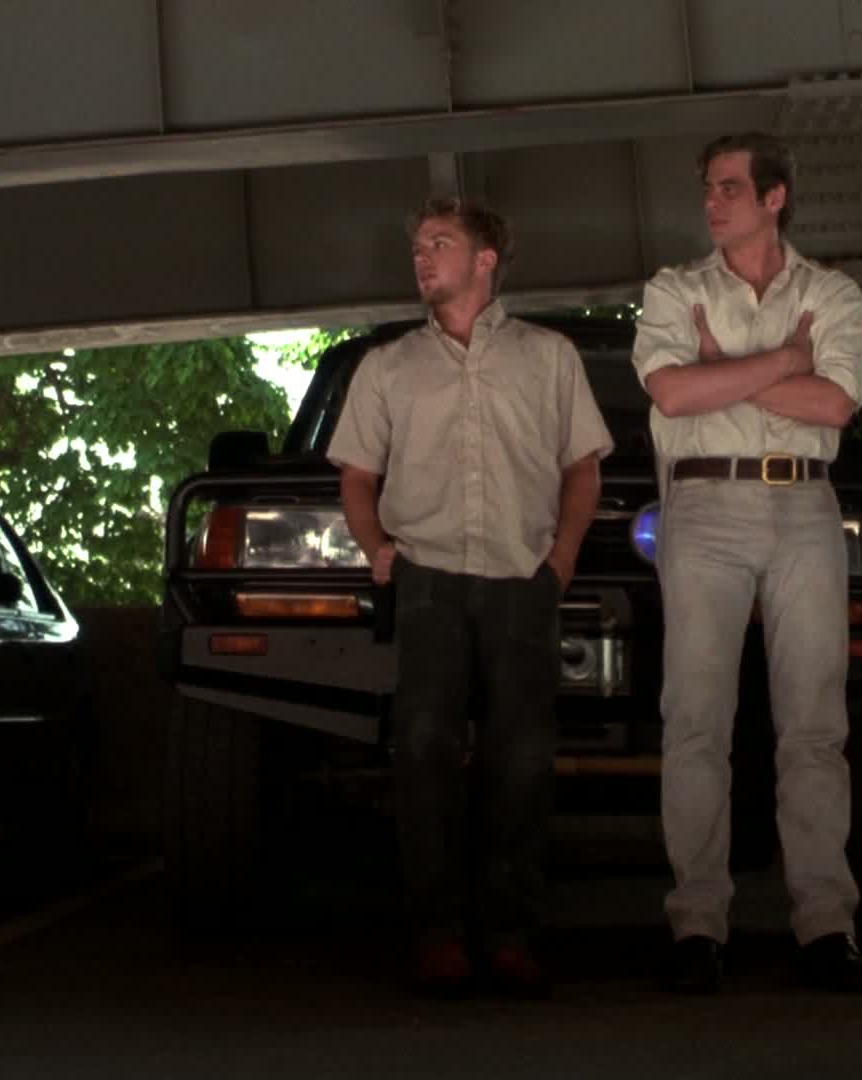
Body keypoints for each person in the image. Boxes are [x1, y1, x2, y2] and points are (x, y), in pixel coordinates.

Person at [328, 197, 612, 999]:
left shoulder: (549, 357)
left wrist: (560, 559)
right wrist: (377, 550)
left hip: (523, 578)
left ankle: (512, 936)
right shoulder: (387, 367)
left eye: (440, 243)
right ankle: (439, 936)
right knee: (423, 749)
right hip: (427, 580)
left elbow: (582, 466)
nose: (423, 257)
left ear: (486, 260)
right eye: (418, 245)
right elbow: (356, 476)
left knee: (522, 757)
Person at [631, 131, 862, 993]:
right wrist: (782, 362)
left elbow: (836, 402)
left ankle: (826, 927)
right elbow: (672, 392)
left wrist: (725, 370)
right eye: (709, 187)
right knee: (696, 720)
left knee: (814, 725)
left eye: (730, 187)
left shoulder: (832, 293)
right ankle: (697, 925)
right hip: (703, 503)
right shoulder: (674, 290)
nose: (713, 201)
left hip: (805, 503)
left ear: (775, 198)